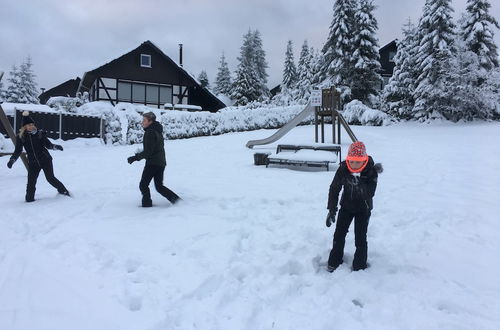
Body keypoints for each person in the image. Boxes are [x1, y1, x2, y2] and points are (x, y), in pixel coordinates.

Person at [325, 141, 382, 272]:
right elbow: (334, 188)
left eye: (358, 162)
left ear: (364, 161)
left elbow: (370, 193)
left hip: (363, 208)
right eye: (351, 161)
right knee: (339, 234)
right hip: (346, 206)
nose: (354, 164)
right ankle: (334, 260)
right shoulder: (343, 168)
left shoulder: (371, 172)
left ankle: (360, 265)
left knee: (360, 237)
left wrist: (358, 182)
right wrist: (332, 209)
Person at [7, 111, 70, 202]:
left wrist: (56, 147)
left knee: (50, 178)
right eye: (29, 125)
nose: (31, 126)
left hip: (45, 160)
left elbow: (48, 145)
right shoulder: (21, 137)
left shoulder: (40, 134)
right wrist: (12, 160)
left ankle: (63, 191)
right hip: (33, 163)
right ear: (24, 127)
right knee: (31, 182)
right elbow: (18, 151)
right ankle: (29, 200)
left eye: (32, 124)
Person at [127, 112, 181, 207]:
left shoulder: (150, 132)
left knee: (143, 185)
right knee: (159, 187)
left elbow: (148, 151)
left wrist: (135, 158)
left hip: (153, 163)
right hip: (160, 162)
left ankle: (146, 204)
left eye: (144, 120)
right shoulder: (157, 130)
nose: (142, 122)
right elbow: (153, 148)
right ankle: (177, 201)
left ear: (150, 121)